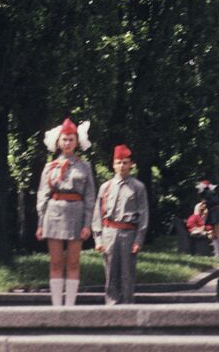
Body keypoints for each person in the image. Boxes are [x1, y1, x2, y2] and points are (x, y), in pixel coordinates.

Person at [36, 117, 98, 307]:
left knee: (73, 262)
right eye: (65, 139)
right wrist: (40, 223)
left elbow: (90, 197)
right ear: (58, 142)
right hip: (53, 214)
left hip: (76, 215)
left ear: (77, 142)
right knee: (55, 262)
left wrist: (88, 223)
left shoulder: (84, 166)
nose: (68, 143)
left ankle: (70, 305)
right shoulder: (49, 167)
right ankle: (56, 305)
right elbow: (43, 196)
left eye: (71, 139)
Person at [94, 144, 148, 306]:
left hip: (128, 234)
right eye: (118, 162)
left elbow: (143, 215)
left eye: (125, 162)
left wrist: (139, 240)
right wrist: (98, 238)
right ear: (113, 165)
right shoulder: (106, 187)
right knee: (110, 273)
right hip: (109, 232)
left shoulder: (138, 187)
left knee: (127, 273)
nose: (122, 166)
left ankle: (128, 307)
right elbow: (97, 214)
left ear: (131, 164)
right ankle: (111, 308)